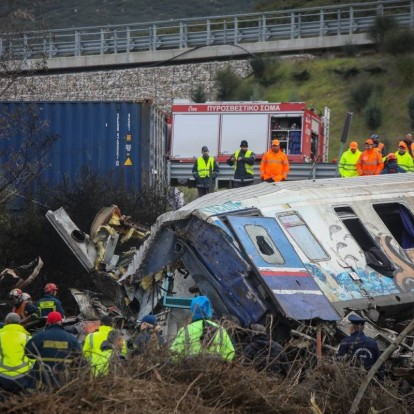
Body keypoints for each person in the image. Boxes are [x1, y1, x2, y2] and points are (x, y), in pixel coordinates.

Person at [25, 311, 81, 388]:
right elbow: (79, 360)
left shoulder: (39, 337)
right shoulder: (71, 338)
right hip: (64, 381)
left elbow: (28, 353)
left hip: (42, 380)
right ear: (61, 321)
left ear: (48, 322)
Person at [170, 296, 235, 361]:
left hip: (190, 370)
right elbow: (229, 354)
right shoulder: (220, 330)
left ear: (193, 310)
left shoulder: (185, 330)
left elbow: (174, 356)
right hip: (215, 369)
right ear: (208, 309)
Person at [0, 313, 33, 392]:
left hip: (2, 376)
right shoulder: (27, 337)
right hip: (23, 375)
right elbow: (33, 358)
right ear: (19, 322)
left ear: (6, 322)